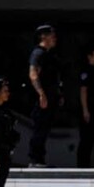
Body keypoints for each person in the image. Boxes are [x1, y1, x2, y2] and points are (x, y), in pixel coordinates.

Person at [27, 24, 62, 167]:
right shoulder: (38, 53)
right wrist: (41, 93)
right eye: (51, 36)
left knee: (45, 128)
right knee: (39, 128)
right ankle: (35, 159)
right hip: (42, 98)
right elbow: (33, 73)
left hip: (51, 97)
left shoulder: (49, 55)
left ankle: (40, 159)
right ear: (43, 37)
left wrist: (58, 94)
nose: (54, 39)